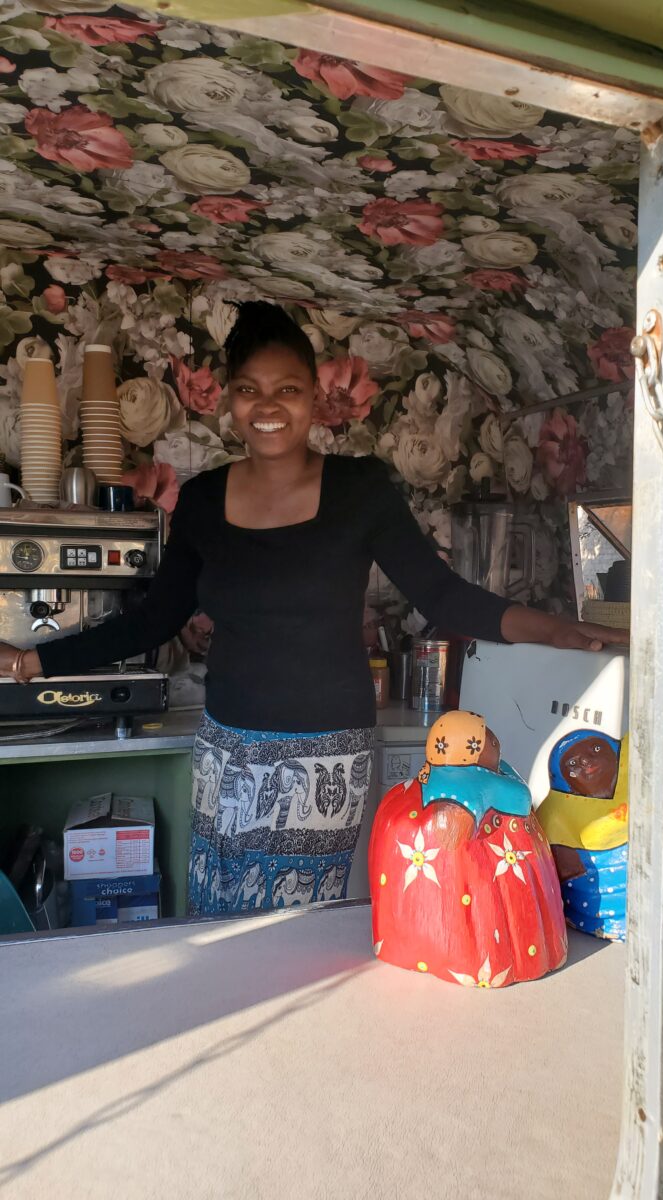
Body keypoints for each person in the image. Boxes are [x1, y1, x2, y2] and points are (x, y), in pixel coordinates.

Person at [0, 301, 629, 916]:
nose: (268, 406)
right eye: (250, 389)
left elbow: (442, 595)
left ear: (313, 399)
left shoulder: (360, 490)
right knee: (217, 920)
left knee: (298, 932)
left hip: (324, 757)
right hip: (228, 754)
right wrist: (31, 664)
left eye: (288, 388)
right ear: (230, 400)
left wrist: (555, 630)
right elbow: (152, 620)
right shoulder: (201, 501)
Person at [369, 711, 568, 986]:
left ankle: (408, 942)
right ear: (471, 750)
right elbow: (522, 798)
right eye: (489, 741)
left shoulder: (422, 783)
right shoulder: (485, 782)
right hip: (477, 865)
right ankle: (480, 952)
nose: (496, 745)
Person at [537, 730, 629, 941]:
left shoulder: (636, 774)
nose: (587, 760)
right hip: (593, 915)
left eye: (596, 748)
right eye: (572, 764)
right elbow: (566, 873)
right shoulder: (556, 817)